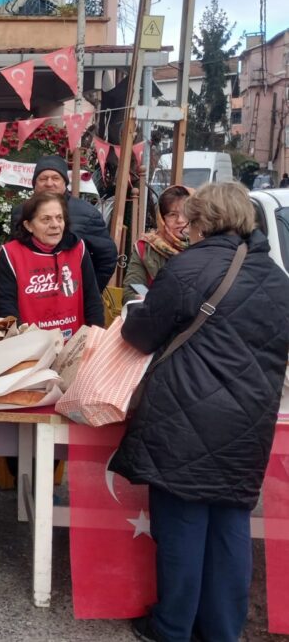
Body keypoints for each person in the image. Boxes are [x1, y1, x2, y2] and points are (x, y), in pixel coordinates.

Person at [109, 181, 289, 642]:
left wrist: (135, 315)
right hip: (250, 419)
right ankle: (223, 631)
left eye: (189, 221)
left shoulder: (189, 266)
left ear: (205, 222)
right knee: (231, 524)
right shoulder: (277, 279)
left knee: (182, 526)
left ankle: (173, 628)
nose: (184, 229)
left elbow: (142, 335)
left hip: (186, 414)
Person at [0, 191, 105, 338]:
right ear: (28, 225)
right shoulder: (10, 254)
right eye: (46, 219)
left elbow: (92, 299)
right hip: (30, 346)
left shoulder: (78, 248)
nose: (55, 225)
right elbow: (7, 307)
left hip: (74, 345)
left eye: (59, 218)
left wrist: (95, 339)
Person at [10, 155, 118, 290]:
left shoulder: (87, 214)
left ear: (64, 183)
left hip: (70, 293)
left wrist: (88, 292)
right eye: (43, 179)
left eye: (55, 178)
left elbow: (107, 257)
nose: (49, 183)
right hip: (31, 292)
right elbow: (14, 253)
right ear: (35, 184)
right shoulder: (21, 212)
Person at [122, 185, 191, 304]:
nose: (180, 220)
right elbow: (132, 288)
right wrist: (153, 301)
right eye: (172, 214)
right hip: (155, 316)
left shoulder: (207, 246)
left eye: (186, 213)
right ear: (162, 219)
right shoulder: (146, 247)